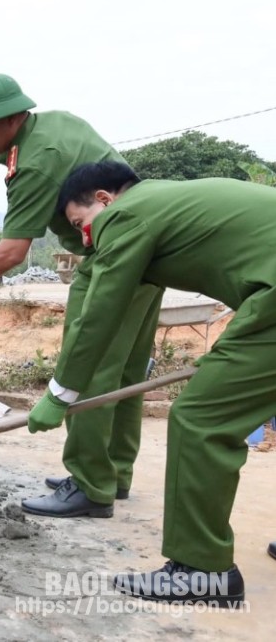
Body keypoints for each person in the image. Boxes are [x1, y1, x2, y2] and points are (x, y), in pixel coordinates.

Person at [0, 73, 164, 518]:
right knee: (126, 371)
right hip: (148, 249)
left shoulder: (33, 162)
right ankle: (113, 473)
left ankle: (90, 486)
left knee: (90, 366)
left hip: (112, 256)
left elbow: (11, 251)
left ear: (13, 118)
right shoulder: (55, 124)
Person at [28, 160, 276, 604]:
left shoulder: (129, 214)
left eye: (81, 224)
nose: (86, 238)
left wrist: (60, 392)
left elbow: (101, 311)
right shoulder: (166, 202)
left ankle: (202, 570)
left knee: (201, 420)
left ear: (104, 199)